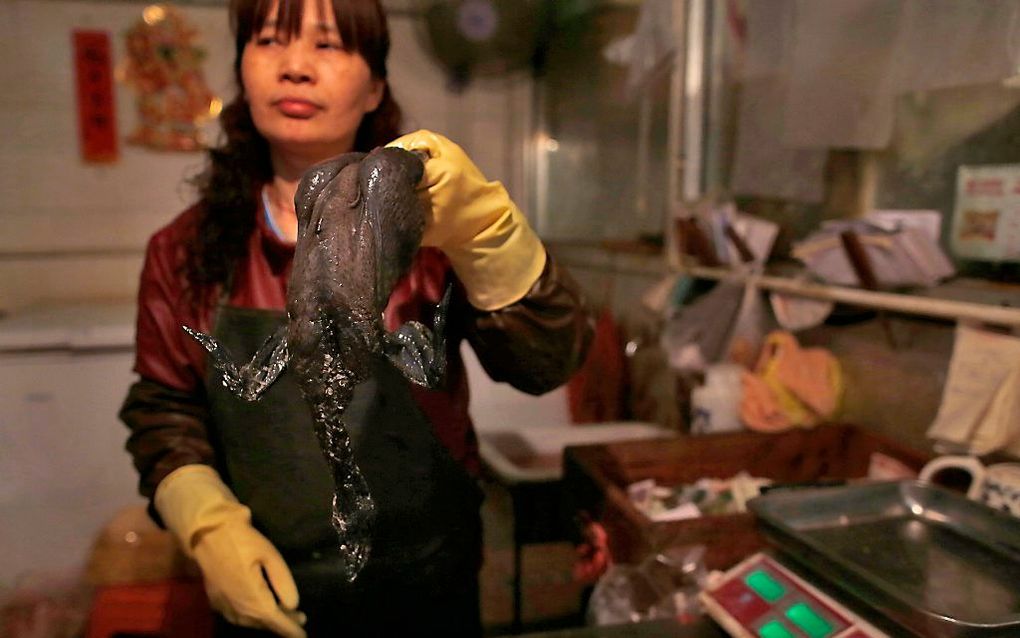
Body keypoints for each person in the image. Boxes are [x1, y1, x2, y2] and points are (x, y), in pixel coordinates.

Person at [118, 0, 592, 636]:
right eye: (268, 41)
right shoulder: (181, 251)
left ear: (374, 88)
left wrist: (486, 235)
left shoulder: (434, 232)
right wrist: (204, 523)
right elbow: (164, 408)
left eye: (328, 45)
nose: (295, 68)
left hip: (429, 582)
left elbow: (543, 366)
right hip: (270, 587)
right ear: (242, 69)